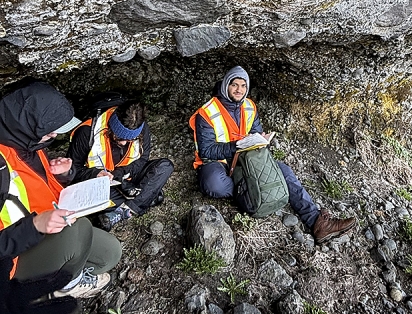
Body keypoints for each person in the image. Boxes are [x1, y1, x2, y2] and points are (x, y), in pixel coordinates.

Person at [189, 66, 356, 244]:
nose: (239, 90)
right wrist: (234, 147)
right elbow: (206, 150)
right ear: (225, 86)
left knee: (284, 172)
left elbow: (256, 134)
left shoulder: (249, 107)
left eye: (243, 86)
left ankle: (317, 222)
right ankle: (248, 192)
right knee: (213, 184)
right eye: (234, 85)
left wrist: (259, 141)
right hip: (219, 161)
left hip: (246, 159)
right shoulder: (207, 112)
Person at [0, 81, 122, 300]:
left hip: (49, 230)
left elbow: (39, 188)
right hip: (14, 257)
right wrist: (34, 226)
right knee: (78, 231)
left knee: (110, 253)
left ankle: (61, 274)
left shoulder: (28, 144)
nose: (55, 135)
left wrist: (67, 174)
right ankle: (58, 288)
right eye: (49, 131)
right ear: (27, 124)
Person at [68, 100, 173, 231]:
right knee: (88, 198)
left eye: (130, 140)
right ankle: (145, 197)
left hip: (127, 176)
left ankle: (124, 210)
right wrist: (95, 173)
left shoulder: (141, 128)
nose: (123, 143)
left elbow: (143, 159)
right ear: (111, 126)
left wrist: (120, 174)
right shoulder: (86, 132)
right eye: (119, 138)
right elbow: (72, 170)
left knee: (165, 166)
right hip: (99, 184)